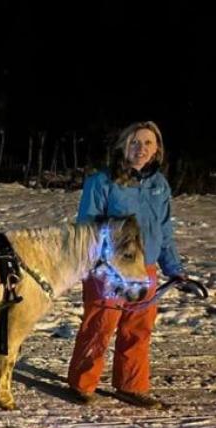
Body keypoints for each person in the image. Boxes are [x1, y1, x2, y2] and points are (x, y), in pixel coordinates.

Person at [67, 121, 187, 409]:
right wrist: (101, 259)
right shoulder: (102, 181)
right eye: (134, 142)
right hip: (109, 267)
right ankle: (82, 383)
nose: (140, 149)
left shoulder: (159, 185)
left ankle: (131, 385)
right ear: (123, 145)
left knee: (138, 328)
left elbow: (164, 230)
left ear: (157, 150)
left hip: (145, 268)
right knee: (100, 324)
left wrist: (173, 267)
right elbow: (87, 225)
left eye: (148, 143)